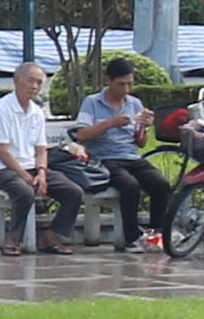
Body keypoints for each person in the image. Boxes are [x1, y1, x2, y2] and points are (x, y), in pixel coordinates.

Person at [71, 56, 171, 252]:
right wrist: (110, 123)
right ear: (109, 81)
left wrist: (144, 127)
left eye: (130, 84)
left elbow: (141, 143)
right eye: (121, 84)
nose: (126, 89)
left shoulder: (134, 104)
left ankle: (155, 233)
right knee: (129, 185)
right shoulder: (92, 102)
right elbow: (81, 135)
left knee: (161, 184)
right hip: (104, 158)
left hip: (131, 157)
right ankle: (131, 238)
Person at [0, 61, 77, 254]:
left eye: (39, 83)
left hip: (33, 168)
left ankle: (50, 236)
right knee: (24, 192)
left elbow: (41, 150)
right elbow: (3, 152)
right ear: (17, 81)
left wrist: (42, 174)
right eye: (31, 81)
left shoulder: (37, 112)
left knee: (73, 192)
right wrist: (26, 177)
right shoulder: (1, 108)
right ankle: (13, 239)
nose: (35, 87)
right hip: (5, 169)